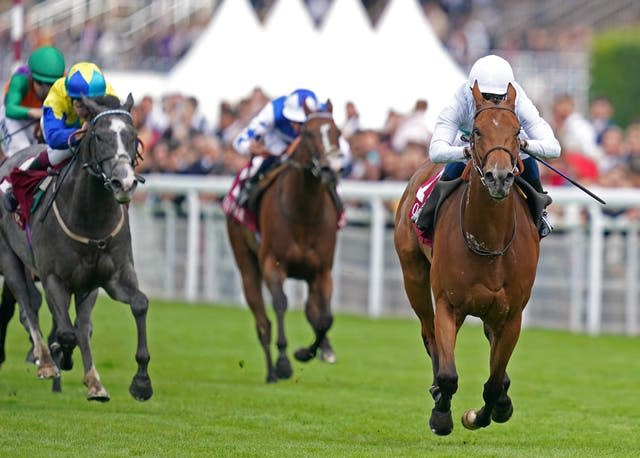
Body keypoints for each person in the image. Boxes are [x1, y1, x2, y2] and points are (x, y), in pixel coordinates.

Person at [417, 54, 561, 238]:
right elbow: (435, 152)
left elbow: (554, 148)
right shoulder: (459, 101)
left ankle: (540, 215)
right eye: (485, 96)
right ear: (472, 90)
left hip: (513, 151)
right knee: (449, 175)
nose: (492, 102)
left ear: (509, 92)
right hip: (473, 150)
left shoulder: (520, 100)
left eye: (498, 97)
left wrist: (522, 144)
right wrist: (468, 151)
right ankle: (427, 215)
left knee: (531, 170)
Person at [4, 62, 118, 212]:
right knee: (58, 155)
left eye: (94, 103)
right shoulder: (57, 95)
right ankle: (14, 185)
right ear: (71, 98)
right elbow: (53, 137)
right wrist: (79, 134)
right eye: (84, 105)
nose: (90, 110)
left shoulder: (109, 94)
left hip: (90, 130)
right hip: (60, 128)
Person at [232, 88, 350, 207]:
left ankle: (339, 210)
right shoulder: (273, 110)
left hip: (308, 146)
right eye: (292, 120)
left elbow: (345, 150)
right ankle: (241, 202)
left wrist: (333, 159)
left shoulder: (322, 115)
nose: (296, 127)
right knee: (257, 164)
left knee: (332, 178)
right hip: (277, 144)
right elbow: (239, 141)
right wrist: (251, 148)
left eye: (302, 123)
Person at [0, 46, 65, 157]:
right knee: (24, 155)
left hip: (40, 119)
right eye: (41, 83)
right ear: (32, 77)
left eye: (51, 84)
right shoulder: (20, 79)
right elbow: (10, 109)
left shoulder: (64, 80)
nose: (47, 90)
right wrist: (34, 112)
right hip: (14, 119)